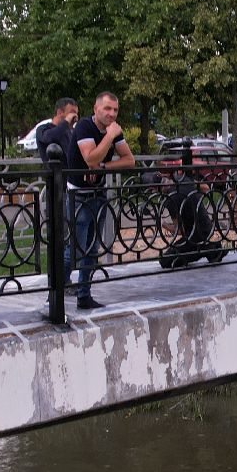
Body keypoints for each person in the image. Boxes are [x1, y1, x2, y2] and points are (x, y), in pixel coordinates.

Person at [67, 91, 135, 310]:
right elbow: (90, 158)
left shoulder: (113, 130)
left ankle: (84, 295)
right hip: (78, 195)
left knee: (92, 249)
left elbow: (129, 160)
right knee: (74, 249)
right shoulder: (84, 127)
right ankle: (54, 296)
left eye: (115, 110)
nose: (111, 114)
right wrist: (109, 136)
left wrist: (104, 167)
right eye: (107, 109)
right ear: (95, 109)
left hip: (99, 194)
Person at [36, 97, 77, 162]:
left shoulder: (71, 132)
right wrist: (66, 122)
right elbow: (49, 138)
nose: (75, 117)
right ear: (59, 112)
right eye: (72, 113)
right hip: (53, 168)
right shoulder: (42, 129)